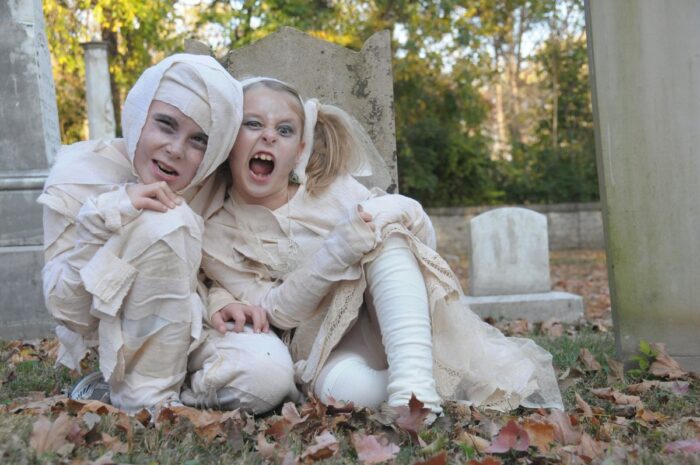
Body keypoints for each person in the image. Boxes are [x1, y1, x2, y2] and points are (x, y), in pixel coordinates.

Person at [201, 77, 564, 416]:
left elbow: (421, 242)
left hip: (387, 319)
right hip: (323, 348)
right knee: (349, 393)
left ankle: (413, 388)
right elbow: (273, 311)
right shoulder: (218, 229)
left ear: (299, 150)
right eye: (253, 124)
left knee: (386, 235)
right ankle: (414, 385)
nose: (268, 137)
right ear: (230, 138)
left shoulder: (329, 191)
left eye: (283, 130)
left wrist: (398, 210)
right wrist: (338, 250)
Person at [39, 55, 295, 413]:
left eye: (198, 141)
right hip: (115, 336)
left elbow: (205, 272)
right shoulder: (80, 174)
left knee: (269, 377)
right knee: (167, 220)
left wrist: (220, 302)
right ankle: (146, 403)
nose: (175, 149)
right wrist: (109, 213)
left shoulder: (210, 186)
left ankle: (164, 393)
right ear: (140, 115)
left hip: (188, 328)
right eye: (165, 124)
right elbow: (68, 310)